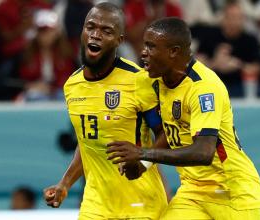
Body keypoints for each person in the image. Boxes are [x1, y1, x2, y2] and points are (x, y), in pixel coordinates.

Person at [107, 17, 260, 219]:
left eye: (151, 47)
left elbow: (203, 152)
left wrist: (142, 153)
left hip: (231, 191)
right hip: (193, 191)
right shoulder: (153, 81)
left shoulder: (204, 88)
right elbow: (169, 132)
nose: (143, 53)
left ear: (173, 51)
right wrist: (142, 165)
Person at [43, 2, 167, 219]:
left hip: (140, 203)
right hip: (96, 204)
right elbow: (87, 141)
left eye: (106, 31)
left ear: (119, 40)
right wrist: (65, 183)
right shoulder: (72, 86)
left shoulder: (139, 81)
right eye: (90, 27)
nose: (95, 35)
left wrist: (143, 162)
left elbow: (165, 134)